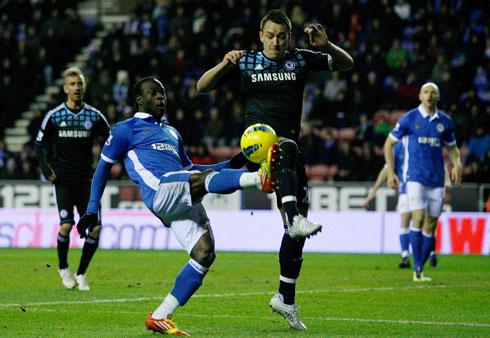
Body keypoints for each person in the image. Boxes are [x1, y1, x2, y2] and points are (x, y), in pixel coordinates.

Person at [76, 77, 279, 336]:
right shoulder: (125, 130)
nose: (161, 97)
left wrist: (235, 161)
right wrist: (92, 209)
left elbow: (193, 170)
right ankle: (258, 180)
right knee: (202, 183)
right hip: (160, 190)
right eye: (154, 93)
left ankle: (160, 315)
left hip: (181, 191)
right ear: (139, 99)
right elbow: (103, 167)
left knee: (204, 253)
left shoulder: (172, 132)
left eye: (163, 92)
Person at [197, 9, 354, 330]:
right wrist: (224, 63)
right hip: (257, 141)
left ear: (289, 37)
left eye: (282, 36)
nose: (276, 42)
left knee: (294, 235)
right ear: (260, 36)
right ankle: (294, 216)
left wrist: (327, 46)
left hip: (288, 151)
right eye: (270, 36)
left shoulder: (300, 58)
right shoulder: (245, 61)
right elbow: (202, 85)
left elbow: (347, 64)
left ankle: (286, 298)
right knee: (287, 155)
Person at [35, 67, 110, 291]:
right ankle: (63, 267)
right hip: (64, 180)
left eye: (80, 84)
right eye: (73, 84)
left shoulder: (94, 116)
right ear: (65, 88)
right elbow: (39, 144)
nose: (77, 88)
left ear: (84, 87)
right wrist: (46, 169)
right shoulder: (55, 116)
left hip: (87, 181)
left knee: (95, 229)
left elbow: (111, 141)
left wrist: (105, 165)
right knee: (66, 226)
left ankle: (81, 273)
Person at [384, 82, 462, 282]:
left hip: (436, 179)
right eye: (426, 92)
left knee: (431, 225)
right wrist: (391, 172)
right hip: (414, 177)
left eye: (433, 92)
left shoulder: (445, 121)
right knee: (417, 218)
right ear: (419, 96)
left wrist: (457, 164)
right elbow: (389, 144)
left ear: (438, 97)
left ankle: (419, 267)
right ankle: (417, 268)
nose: (429, 95)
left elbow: (452, 147)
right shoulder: (409, 118)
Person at [363, 137, 412, 268]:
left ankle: (429, 254)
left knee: (424, 222)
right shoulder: (398, 146)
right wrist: (373, 191)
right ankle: (405, 256)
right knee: (405, 219)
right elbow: (386, 169)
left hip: (425, 187)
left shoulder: (422, 143)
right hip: (405, 189)